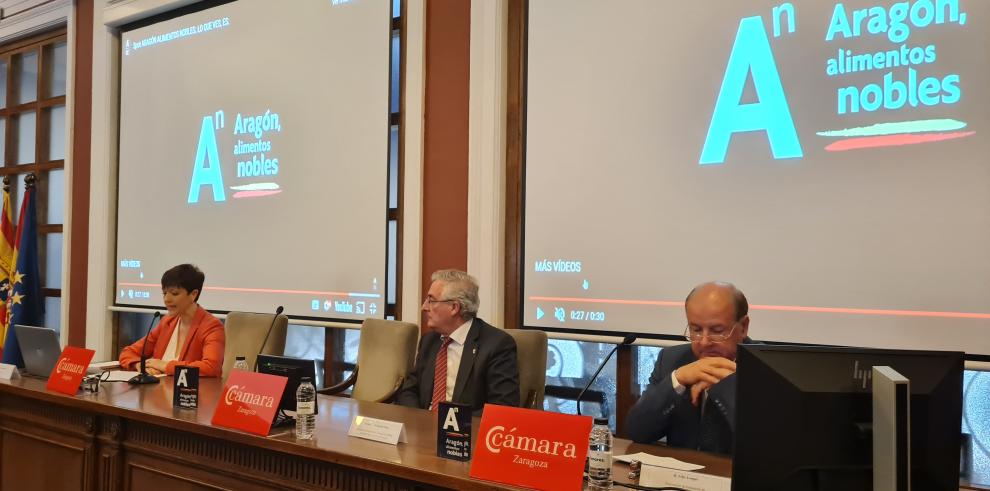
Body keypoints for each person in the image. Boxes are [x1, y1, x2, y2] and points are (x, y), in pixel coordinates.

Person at [625, 281, 755, 454]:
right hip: (679, 478)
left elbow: (768, 449)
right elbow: (637, 431)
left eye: (717, 330)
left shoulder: (767, 369)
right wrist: (677, 380)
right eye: (696, 330)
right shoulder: (672, 360)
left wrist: (728, 389)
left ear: (743, 327)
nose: (704, 342)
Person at [395, 269, 519, 414]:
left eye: (431, 300)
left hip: (466, 432)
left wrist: (449, 423)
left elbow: (502, 406)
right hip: (422, 428)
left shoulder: (497, 345)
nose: (424, 307)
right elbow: (409, 391)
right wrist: (422, 419)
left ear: (454, 307)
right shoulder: (429, 341)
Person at [119, 264, 225, 377]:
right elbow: (128, 352)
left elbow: (211, 368)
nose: (167, 299)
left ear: (193, 294)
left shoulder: (211, 326)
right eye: (164, 293)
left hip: (191, 393)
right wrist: (139, 365)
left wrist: (165, 366)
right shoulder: (167, 322)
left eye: (174, 293)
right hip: (157, 392)